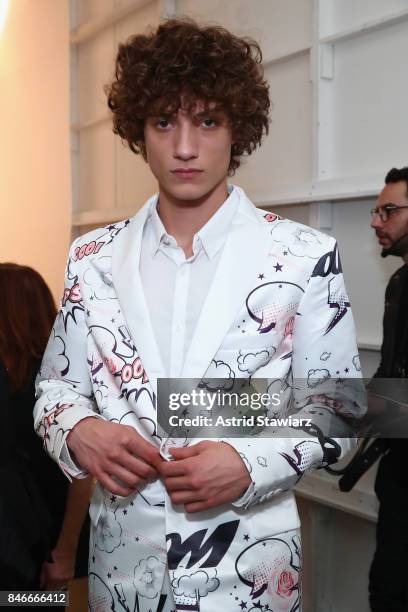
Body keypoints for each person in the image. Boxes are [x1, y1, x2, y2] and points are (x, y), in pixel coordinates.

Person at [34, 19, 362, 611]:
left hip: (250, 575)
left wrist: (249, 461)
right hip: (121, 576)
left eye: (207, 121)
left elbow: (338, 405)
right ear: (141, 132)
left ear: (238, 128)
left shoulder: (303, 255)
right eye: (164, 122)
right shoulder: (92, 258)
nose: (185, 147)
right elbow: (55, 387)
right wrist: (79, 430)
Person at [0, 263, 90, 593]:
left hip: (46, 547)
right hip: (33, 546)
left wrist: (63, 552)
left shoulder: (56, 387)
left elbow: (81, 475)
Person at [368, 167, 408, 611]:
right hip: (399, 476)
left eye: (389, 211)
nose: (377, 222)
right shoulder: (399, 284)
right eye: (377, 211)